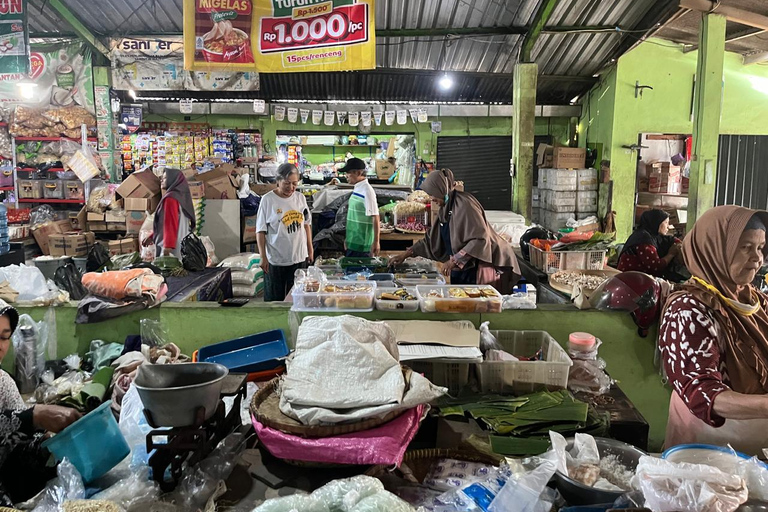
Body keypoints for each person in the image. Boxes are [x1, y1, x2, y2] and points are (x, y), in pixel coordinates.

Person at [659, 205, 768, 455]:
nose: (757, 259)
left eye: (760, 248)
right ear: (715, 248)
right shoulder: (688, 310)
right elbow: (703, 392)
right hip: (708, 449)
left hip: (756, 451)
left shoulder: (758, 303)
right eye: (745, 247)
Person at [0, 300, 81, 505]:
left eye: (4, 337)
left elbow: (21, 425)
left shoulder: (3, 382)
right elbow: (23, 418)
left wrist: (48, 436)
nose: (0, 346)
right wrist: (36, 415)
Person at [389, 168, 520, 293]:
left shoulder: (464, 205)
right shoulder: (445, 209)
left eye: (433, 194)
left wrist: (453, 261)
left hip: (485, 264)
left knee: (480, 307)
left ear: (441, 189)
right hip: (463, 265)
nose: (431, 199)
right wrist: (405, 255)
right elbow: (430, 241)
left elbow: (479, 239)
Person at [256, 163, 313, 301]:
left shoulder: (300, 198)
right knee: (274, 300)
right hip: (276, 260)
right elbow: (260, 230)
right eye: (287, 183)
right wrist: (263, 256)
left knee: (297, 298)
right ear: (278, 181)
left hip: (298, 257)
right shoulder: (268, 200)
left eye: (294, 183)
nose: (291, 188)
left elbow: (306, 225)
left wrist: (310, 249)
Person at [617, 209, 682, 279]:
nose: (668, 226)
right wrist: (671, 254)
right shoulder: (643, 238)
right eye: (666, 222)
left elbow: (670, 239)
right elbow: (655, 267)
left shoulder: (654, 236)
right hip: (630, 280)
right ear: (657, 222)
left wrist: (679, 244)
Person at [151, 168, 196, 259]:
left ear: (173, 180)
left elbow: (170, 223)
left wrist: (167, 247)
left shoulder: (170, 199)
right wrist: (152, 235)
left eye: (165, 178)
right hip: (183, 244)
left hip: (172, 249)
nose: (161, 180)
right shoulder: (181, 196)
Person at [342, 157, 380, 257]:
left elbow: (375, 217)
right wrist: (348, 239)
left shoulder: (367, 191)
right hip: (353, 241)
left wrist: (376, 242)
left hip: (362, 244)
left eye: (348, 173)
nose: (346, 176)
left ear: (358, 173)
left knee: (360, 272)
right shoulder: (358, 188)